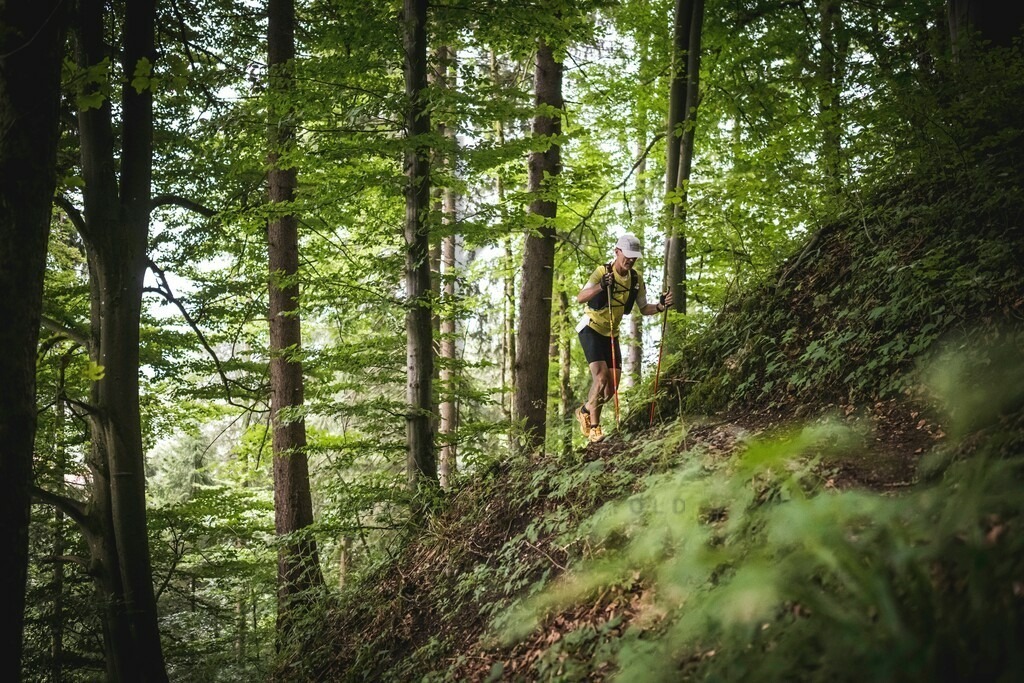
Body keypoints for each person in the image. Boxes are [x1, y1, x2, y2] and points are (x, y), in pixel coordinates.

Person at [574, 233, 673, 443]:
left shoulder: (636, 279)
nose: (630, 259)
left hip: (611, 334)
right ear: (617, 252)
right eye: (626, 255)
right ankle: (595, 428)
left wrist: (661, 306)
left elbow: (645, 308)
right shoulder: (602, 271)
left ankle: (584, 409)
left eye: (634, 256)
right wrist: (601, 285)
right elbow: (580, 297)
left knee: (610, 390)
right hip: (591, 328)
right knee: (600, 378)